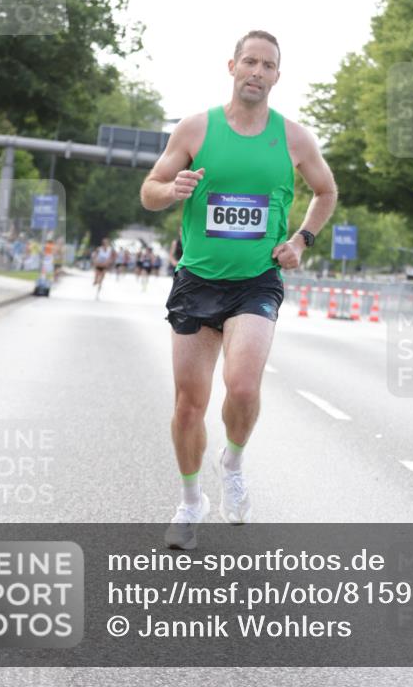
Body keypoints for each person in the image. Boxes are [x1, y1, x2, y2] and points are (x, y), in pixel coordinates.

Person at [141, 30, 337, 547]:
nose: (257, 71)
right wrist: (172, 188)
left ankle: (232, 463)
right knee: (189, 403)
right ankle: (190, 502)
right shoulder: (195, 128)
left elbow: (325, 191)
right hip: (197, 278)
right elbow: (149, 191)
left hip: (257, 281)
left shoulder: (294, 138)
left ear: (277, 76)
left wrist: (301, 240)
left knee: (244, 386)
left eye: (267, 65)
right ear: (232, 67)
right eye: (249, 61)